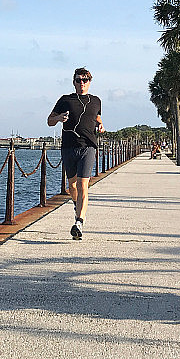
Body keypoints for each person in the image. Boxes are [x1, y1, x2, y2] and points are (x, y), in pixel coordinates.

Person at [47, 67, 104, 240]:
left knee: (82, 185)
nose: (82, 83)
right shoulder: (65, 100)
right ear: (73, 82)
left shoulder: (96, 101)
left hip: (88, 146)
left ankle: (79, 222)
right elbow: (49, 121)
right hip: (68, 147)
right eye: (78, 80)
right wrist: (58, 119)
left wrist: (100, 124)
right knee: (72, 187)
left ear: (90, 82)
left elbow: (97, 116)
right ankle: (77, 206)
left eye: (85, 80)